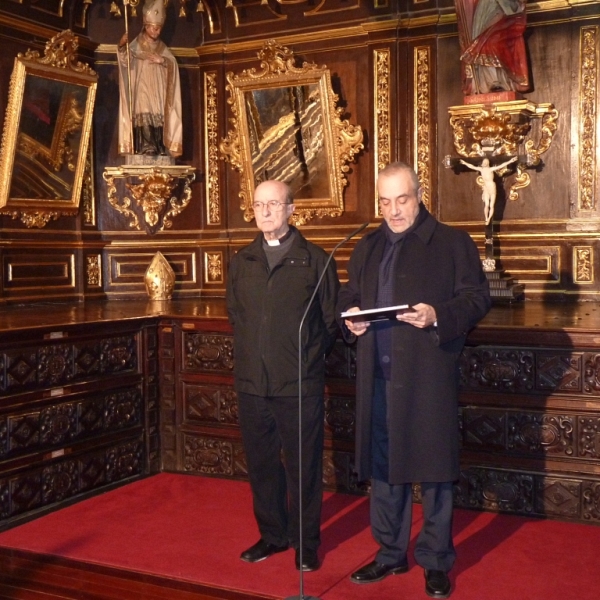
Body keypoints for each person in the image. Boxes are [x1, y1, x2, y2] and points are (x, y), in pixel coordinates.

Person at [337, 163, 490, 598]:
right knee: (384, 469)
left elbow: (476, 298)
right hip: (378, 372)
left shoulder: (451, 243)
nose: (393, 210)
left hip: (427, 374)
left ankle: (437, 559)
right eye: (385, 202)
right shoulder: (367, 247)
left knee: (435, 469)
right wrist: (349, 320)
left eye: (401, 199)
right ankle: (389, 553)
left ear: (419, 195)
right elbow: (349, 295)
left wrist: (436, 314)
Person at [226, 180, 340, 572]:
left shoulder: (316, 260)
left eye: (274, 204)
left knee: (303, 468)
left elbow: (329, 323)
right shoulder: (242, 261)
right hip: (253, 385)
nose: (266, 212)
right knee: (261, 465)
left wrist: (305, 360)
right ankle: (273, 535)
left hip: (298, 385)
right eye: (259, 205)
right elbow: (236, 316)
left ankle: (306, 543)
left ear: (291, 210)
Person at [117, 0, 182, 157]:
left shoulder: (162, 48)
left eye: (159, 28)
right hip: (142, 87)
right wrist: (121, 46)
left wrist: (163, 61)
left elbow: (172, 64)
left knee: (158, 113)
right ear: (146, 26)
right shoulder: (136, 44)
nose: (157, 32)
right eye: (154, 28)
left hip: (158, 89)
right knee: (144, 112)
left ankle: (159, 146)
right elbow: (125, 60)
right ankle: (146, 146)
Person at [455, 0, 529, 96]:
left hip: (502, 12)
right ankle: (487, 83)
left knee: (493, 43)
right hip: (486, 10)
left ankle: (501, 81)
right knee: (482, 44)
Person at [459, 156, 517, 224]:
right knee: (487, 204)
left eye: (486, 162)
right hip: (486, 187)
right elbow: (471, 166)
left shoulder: (489, 169)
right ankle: (486, 218)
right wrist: (464, 163)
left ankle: (489, 218)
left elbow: (501, 165)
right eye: (484, 162)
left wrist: (510, 161)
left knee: (491, 205)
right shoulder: (482, 169)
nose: (485, 163)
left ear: (488, 163)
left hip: (491, 187)